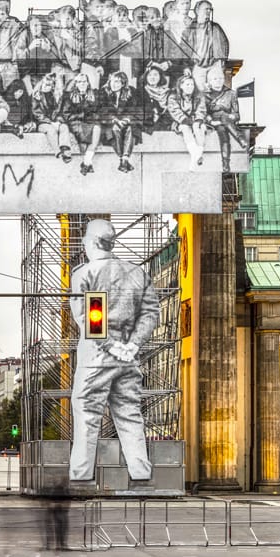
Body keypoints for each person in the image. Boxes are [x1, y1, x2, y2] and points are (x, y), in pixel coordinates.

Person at [68, 218, 160, 487]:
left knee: (86, 414)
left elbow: (88, 317)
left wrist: (111, 346)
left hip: (96, 359)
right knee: (130, 414)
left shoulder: (85, 274)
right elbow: (150, 313)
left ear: (93, 242)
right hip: (129, 360)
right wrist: (132, 345)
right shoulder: (137, 273)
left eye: (85, 238)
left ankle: (81, 474)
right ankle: (141, 472)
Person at [202, 62, 248, 172]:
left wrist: (230, 116)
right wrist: (211, 121)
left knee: (223, 128)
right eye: (215, 79)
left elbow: (237, 115)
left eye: (220, 78)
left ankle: (226, 164)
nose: (218, 81)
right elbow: (203, 113)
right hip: (213, 122)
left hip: (226, 122)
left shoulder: (231, 94)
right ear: (209, 81)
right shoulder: (205, 95)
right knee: (222, 121)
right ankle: (240, 139)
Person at [98, 68, 140, 172]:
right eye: (112, 81)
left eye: (117, 82)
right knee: (115, 129)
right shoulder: (103, 92)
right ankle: (124, 160)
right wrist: (115, 120)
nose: (113, 84)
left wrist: (127, 119)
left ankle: (124, 159)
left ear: (123, 84)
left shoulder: (131, 92)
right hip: (109, 123)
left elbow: (134, 109)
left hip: (126, 122)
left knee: (131, 129)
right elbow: (101, 111)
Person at [166, 72, 208, 166]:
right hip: (180, 122)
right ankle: (196, 154)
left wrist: (198, 120)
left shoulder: (199, 96)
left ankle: (196, 156)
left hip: (196, 120)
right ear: (181, 86)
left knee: (199, 127)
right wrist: (185, 120)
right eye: (187, 84)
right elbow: (175, 111)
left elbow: (201, 110)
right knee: (185, 128)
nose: (190, 87)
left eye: (192, 84)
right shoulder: (173, 97)